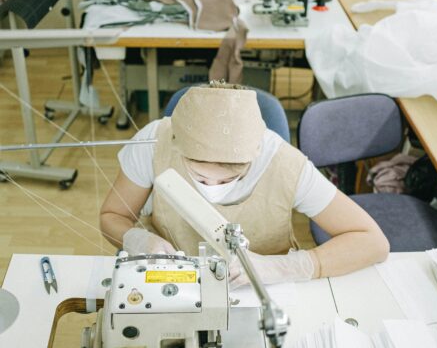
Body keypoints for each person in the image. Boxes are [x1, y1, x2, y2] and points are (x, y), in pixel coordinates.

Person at [100, 81, 389, 288]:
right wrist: (136, 239)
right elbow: (112, 216)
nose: (213, 187)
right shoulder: (155, 143)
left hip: (261, 288)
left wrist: (286, 268)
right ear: (178, 148)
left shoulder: (286, 164)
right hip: (175, 284)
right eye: (200, 178)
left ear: (255, 156)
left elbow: (373, 241)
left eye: (228, 180)